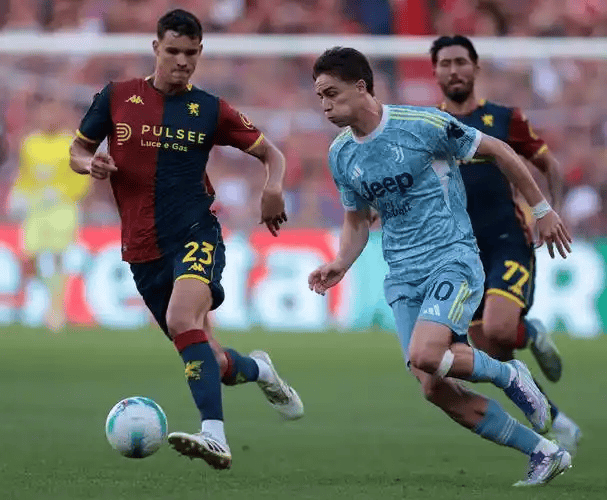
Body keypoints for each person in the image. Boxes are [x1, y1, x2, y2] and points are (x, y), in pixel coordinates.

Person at [309, 47, 572, 486]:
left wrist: (542, 208)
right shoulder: (341, 154)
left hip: (451, 259)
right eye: (319, 97)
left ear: (361, 87)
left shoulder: (422, 125)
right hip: (402, 275)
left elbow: (500, 150)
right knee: (432, 386)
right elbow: (356, 219)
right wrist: (341, 261)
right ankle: (543, 452)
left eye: (331, 94)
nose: (325, 105)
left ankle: (511, 374)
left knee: (426, 355)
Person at [69, 9, 303, 471]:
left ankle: (214, 435)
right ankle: (260, 370)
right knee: (212, 360)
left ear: (200, 53)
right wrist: (88, 163)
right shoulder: (117, 97)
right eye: (173, 51)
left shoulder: (210, 109)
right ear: (156, 48)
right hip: (142, 249)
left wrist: (273, 187)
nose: (182, 61)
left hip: (196, 232)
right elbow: (78, 149)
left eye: (191, 53)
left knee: (182, 318)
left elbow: (270, 153)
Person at [430, 35, 581, 455]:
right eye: (445, 63)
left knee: (497, 330)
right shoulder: (428, 124)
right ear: (435, 71)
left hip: (506, 240)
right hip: (460, 251)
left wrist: (551, 212)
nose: (454, 70)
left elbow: (548, 163)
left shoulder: (504, 118)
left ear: (476, 68)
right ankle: (556, 418)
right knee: (493, 353)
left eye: (461, 61)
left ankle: (526, 330)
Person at [9, 96, 90, 331]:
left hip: (62, 208)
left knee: (58, 257)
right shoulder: (30, 143)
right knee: (29, 256)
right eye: (44, 113)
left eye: (52, 113)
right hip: (36, 208)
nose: (48, 118)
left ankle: (55, 310)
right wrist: (18, 193)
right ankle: (50, 299)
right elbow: (25, 174)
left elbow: (82, 177)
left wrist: (63, 192)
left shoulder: (70, 143)